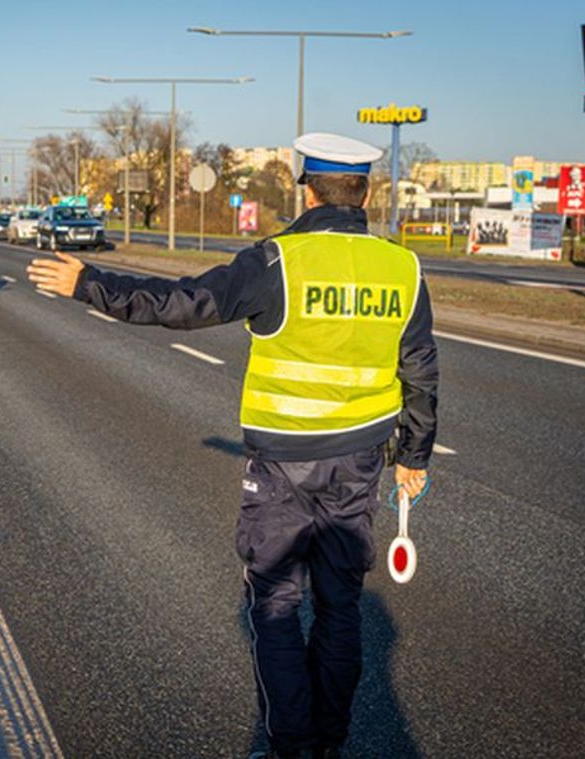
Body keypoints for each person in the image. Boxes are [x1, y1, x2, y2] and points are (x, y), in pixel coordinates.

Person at [27, 133, 439, 759]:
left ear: (308, 187)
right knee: (340, 609)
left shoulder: (278, 261)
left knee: (275, 604)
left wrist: (89, 284)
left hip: (282, 466)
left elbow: (183, 304)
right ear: (367, 191)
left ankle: (291, 747)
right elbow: (421, 369)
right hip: (358, 463)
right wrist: (414, 456)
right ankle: (327, 744)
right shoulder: (402, 268)